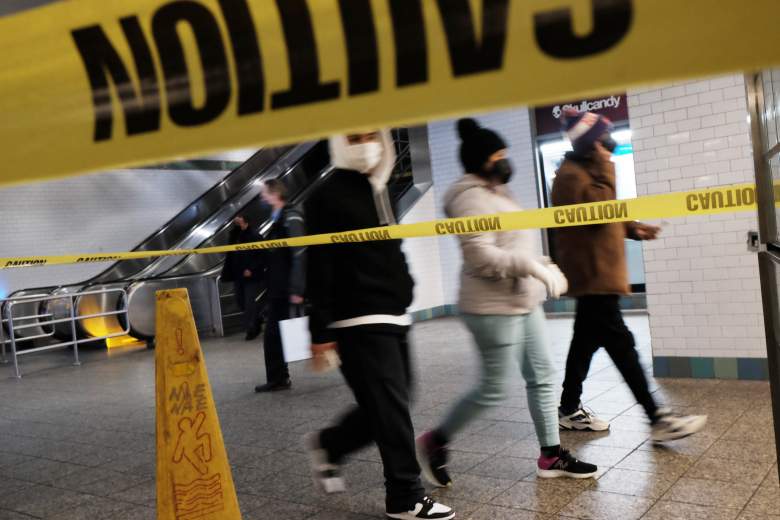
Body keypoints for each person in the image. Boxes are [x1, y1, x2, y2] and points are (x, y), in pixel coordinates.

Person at [416, 119, 597, 490]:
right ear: (481, 160)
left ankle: (550, 455)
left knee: (543, 376)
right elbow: (481, 256)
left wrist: (544, 265)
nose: (504, 160)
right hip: (490, 306)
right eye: (498, 155)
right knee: (494, 388)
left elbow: (518, 244)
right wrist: (531, 266)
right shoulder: (468, 196)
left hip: (522, 299)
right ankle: (433, 443)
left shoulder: (499, 191)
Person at [304, 130, 454, 520]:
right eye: (355, 136)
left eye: (372, 135)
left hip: (392, 312)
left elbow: (388, 247)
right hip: (357, 317)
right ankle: (405, 496)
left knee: (390, 404)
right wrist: (319, 332)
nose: (366, 143)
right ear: (339, 142)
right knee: (390, 407)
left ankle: (332, 444)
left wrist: (404, 285)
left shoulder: (377, 187)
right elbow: (317, 265)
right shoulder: (326, 196)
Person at [552, 109, 707, 441]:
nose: (610, 143)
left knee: (584, 345)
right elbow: (596, 213)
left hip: (598, 274)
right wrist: (607, 165)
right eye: (604, 138)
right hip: (593, 276)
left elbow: (606, 213)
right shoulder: (570, 176)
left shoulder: (586, 171)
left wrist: (634, 229)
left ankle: (568, 408)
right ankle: (656, 418)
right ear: (592, 143)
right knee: (622, 346)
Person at [254, 179, 306, 393]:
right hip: (277, 287)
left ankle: (278, 379)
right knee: (274, 334)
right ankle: (279, 377)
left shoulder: (291, 216)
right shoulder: (278, 218)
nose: (262, 197)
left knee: (274, 334)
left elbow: (300, 253)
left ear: (275, 193)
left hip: (286, 288)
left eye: (264, 192)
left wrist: (297, 289)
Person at [222, 215, 263, 340]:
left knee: (249, 302)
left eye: (238, 217)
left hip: (251, 276)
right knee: (240, 301)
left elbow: (261, 255)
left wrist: (251, 269)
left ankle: (252, 329)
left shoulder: (255, 235)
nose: (235, 219)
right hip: (238, 274)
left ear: (245, 219)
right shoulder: (234, 235)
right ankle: (257, 318)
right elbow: (231, 254)